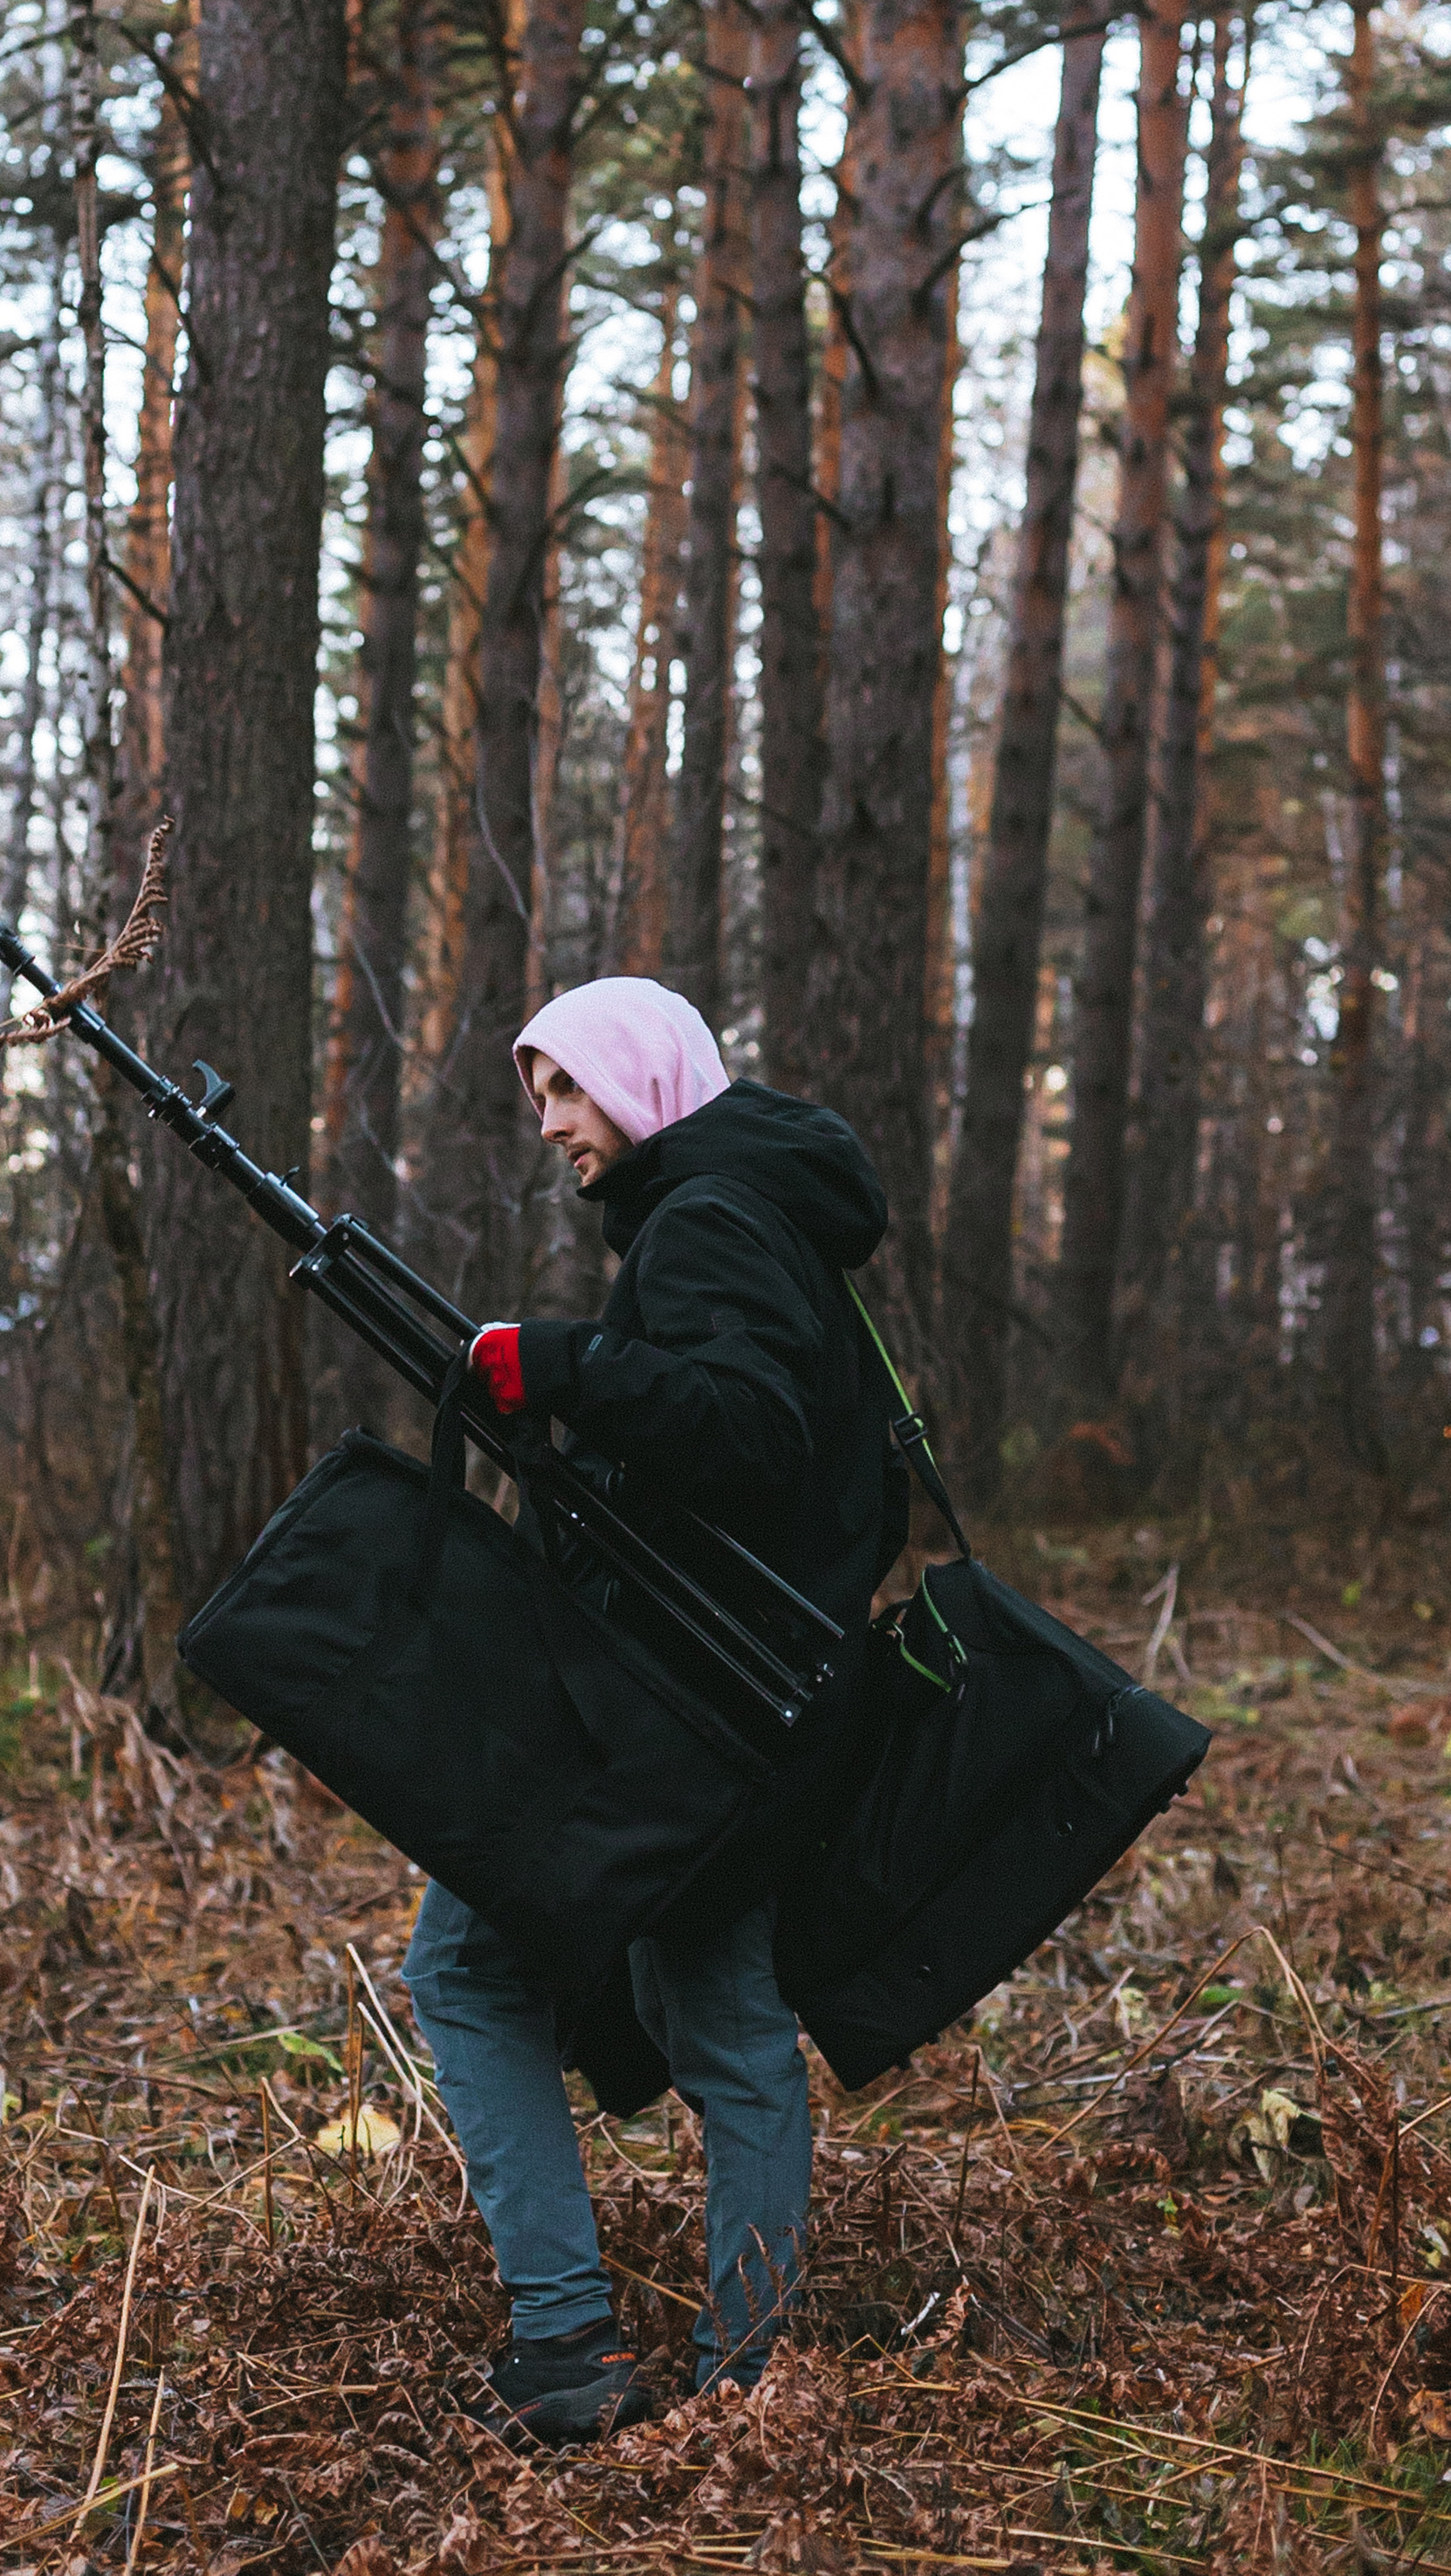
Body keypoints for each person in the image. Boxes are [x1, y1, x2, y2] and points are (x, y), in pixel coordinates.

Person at [400, 975, 902, 2449]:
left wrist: (556, 1363)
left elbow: (745, 1432)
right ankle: (744, 2382)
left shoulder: (711, 1218)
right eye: (539, 1092)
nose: (551, 1121)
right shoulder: (765, 1208)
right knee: (724, 2018)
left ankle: (565, 2343)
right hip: (748, 1714)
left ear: (640, 1075)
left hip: (677, 1716)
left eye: (567, 1085)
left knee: (467, 1968)